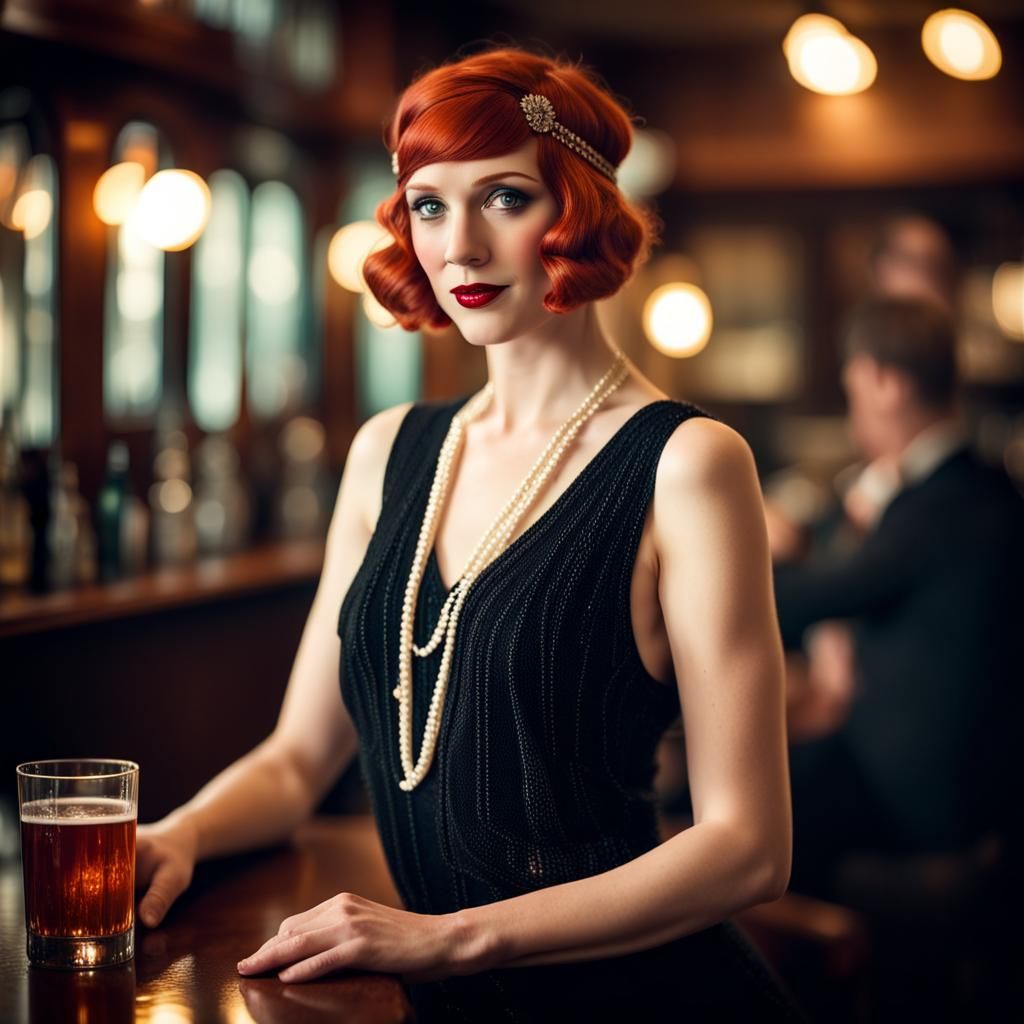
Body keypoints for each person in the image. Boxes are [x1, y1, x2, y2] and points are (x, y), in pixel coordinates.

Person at [135, 47, 805, 1021]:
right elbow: (296, 759)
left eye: (501, 197)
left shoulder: (688, 463)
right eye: (429, 204)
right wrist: (182, 831)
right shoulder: (387, 452)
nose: (458, 248)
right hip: (440, 997)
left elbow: (750, 846)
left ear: (574, 208)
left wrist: (450, 936)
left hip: (636, 997)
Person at [775, 295, 1024, 901]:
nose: (852, 402)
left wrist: (762, 550)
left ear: (885, 382)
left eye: (853, 384)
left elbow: (813, 598)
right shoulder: (981, 489)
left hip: (926, 793)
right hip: (954, 775)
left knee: (761, 811)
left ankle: (801, 978)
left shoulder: (939, 505)